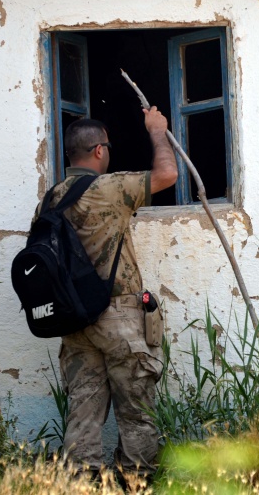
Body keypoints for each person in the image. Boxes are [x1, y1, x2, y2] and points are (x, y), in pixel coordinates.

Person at [39, 108, 177, 481]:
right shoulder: (109, 188)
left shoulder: (50, 200)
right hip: (118, 318)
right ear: (99, 151)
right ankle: (136, 484)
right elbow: (167, 174)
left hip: (75, 320)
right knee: (135, 411)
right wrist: (157, 132)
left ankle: (81, 486)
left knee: (82, 411)